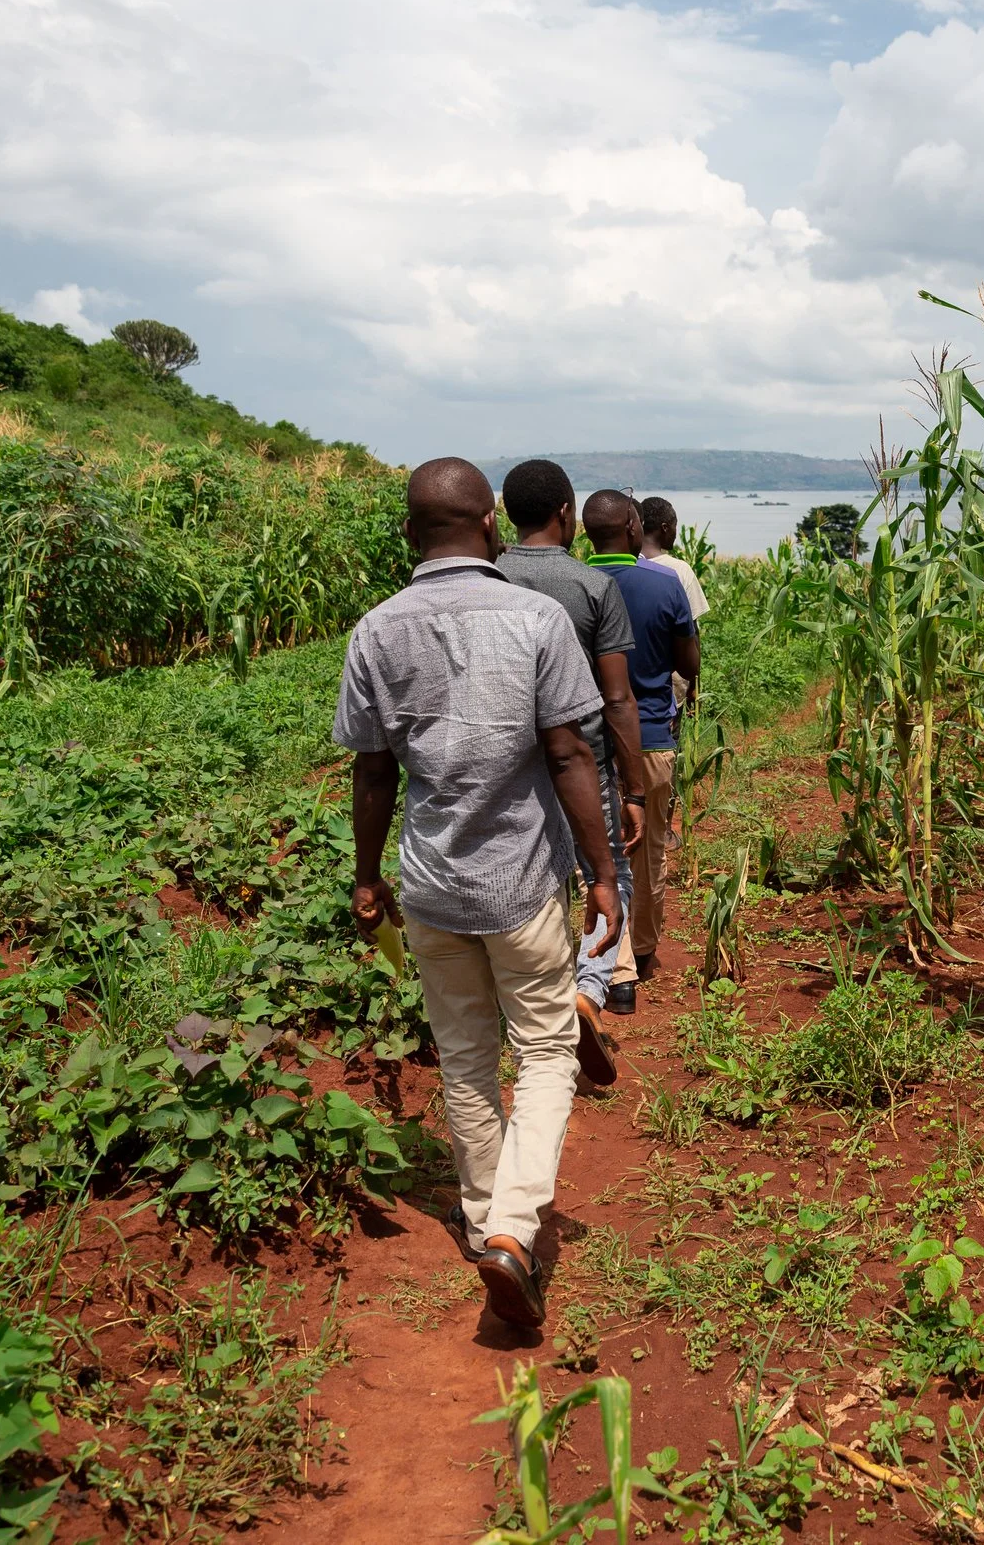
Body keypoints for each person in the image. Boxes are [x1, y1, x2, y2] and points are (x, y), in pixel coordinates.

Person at [335, 457, 621, 1333]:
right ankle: (512, 1228)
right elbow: (569, 752)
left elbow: (373, 771)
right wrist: (603, 872)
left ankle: (477, 1214)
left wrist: (367, 875)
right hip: (522, 884)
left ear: (409, 533)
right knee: (546, 1049)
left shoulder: (376, 630)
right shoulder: (536, 619)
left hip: (431, 886)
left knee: (463, 1057)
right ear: (490, 524)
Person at [495, 459, 650, 1039]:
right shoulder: (593, 586)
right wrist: (634, 788)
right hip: (585, 759)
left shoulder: (488, 579)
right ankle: (588, 989)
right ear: (566, 513)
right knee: (609, 874)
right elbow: (618, 698)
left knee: (531, 879)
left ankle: (531, 997)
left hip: (509, 763)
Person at [581, 490, 698, 977]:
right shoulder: (665, 582)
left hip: (585, 746)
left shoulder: (574, 584)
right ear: (633, 528)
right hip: (649, 737)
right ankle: (642, 951)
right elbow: (689, 665)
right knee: (648, 850)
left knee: (595, 853)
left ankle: (603, 959)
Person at [636, 496, 709, 622]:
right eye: (674, 526)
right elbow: (691, 625)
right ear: (665, 528)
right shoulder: (680, 570)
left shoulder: (627, 564)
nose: (675, 533)